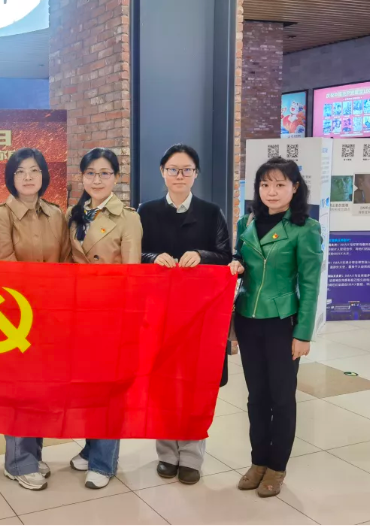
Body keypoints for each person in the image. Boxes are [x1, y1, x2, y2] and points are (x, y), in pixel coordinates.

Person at [137, 144, 232, 485]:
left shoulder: (211, 212)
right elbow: (134, 253)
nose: (179, 175)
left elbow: (226, 256)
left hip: (198, 315)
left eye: (186, 169)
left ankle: (191, 455)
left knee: (195, 383)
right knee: (162, 383)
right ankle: (166, 453)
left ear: (196, 174)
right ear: (162, 172)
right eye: (173, 169)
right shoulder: (146, 211)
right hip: (160, 313)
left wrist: (201, 255)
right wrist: (153, 258)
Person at [230, 157, 323, 498]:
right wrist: (235, 264)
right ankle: (258, 462)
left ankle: (277, 467)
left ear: (295, 188)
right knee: (256, 397)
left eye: (280, 184)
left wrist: (303, 334)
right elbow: (239, 261)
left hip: (283, 322)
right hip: (248, 320)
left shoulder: (305, 228)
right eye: (265, 184)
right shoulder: (246, 222)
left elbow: (310, 284)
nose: (271, 191)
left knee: (281, 398)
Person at [0, 147, 71, 491]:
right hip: (17, 317)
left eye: (34, 170)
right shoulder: (0, 215)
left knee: (41, 388)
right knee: (19, 389)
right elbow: (5, 264)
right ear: (11, 177)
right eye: (20, 171)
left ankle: (32, 455)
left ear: (43, 175)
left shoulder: (56, 214)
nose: (27, 177)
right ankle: (17, 462)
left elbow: (65, 261)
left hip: (50, 313)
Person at [66, 147, 142, 489]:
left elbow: (132, 275)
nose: (97, 180)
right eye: (91, 173)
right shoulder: (74, 214)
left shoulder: (128, 218)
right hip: (79, 313)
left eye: (105, 173)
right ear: (82, 177)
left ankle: (104, 461)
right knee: (87, 387)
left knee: (109, 389)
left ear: (116, 177)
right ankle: (90, 446)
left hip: (112, 314)